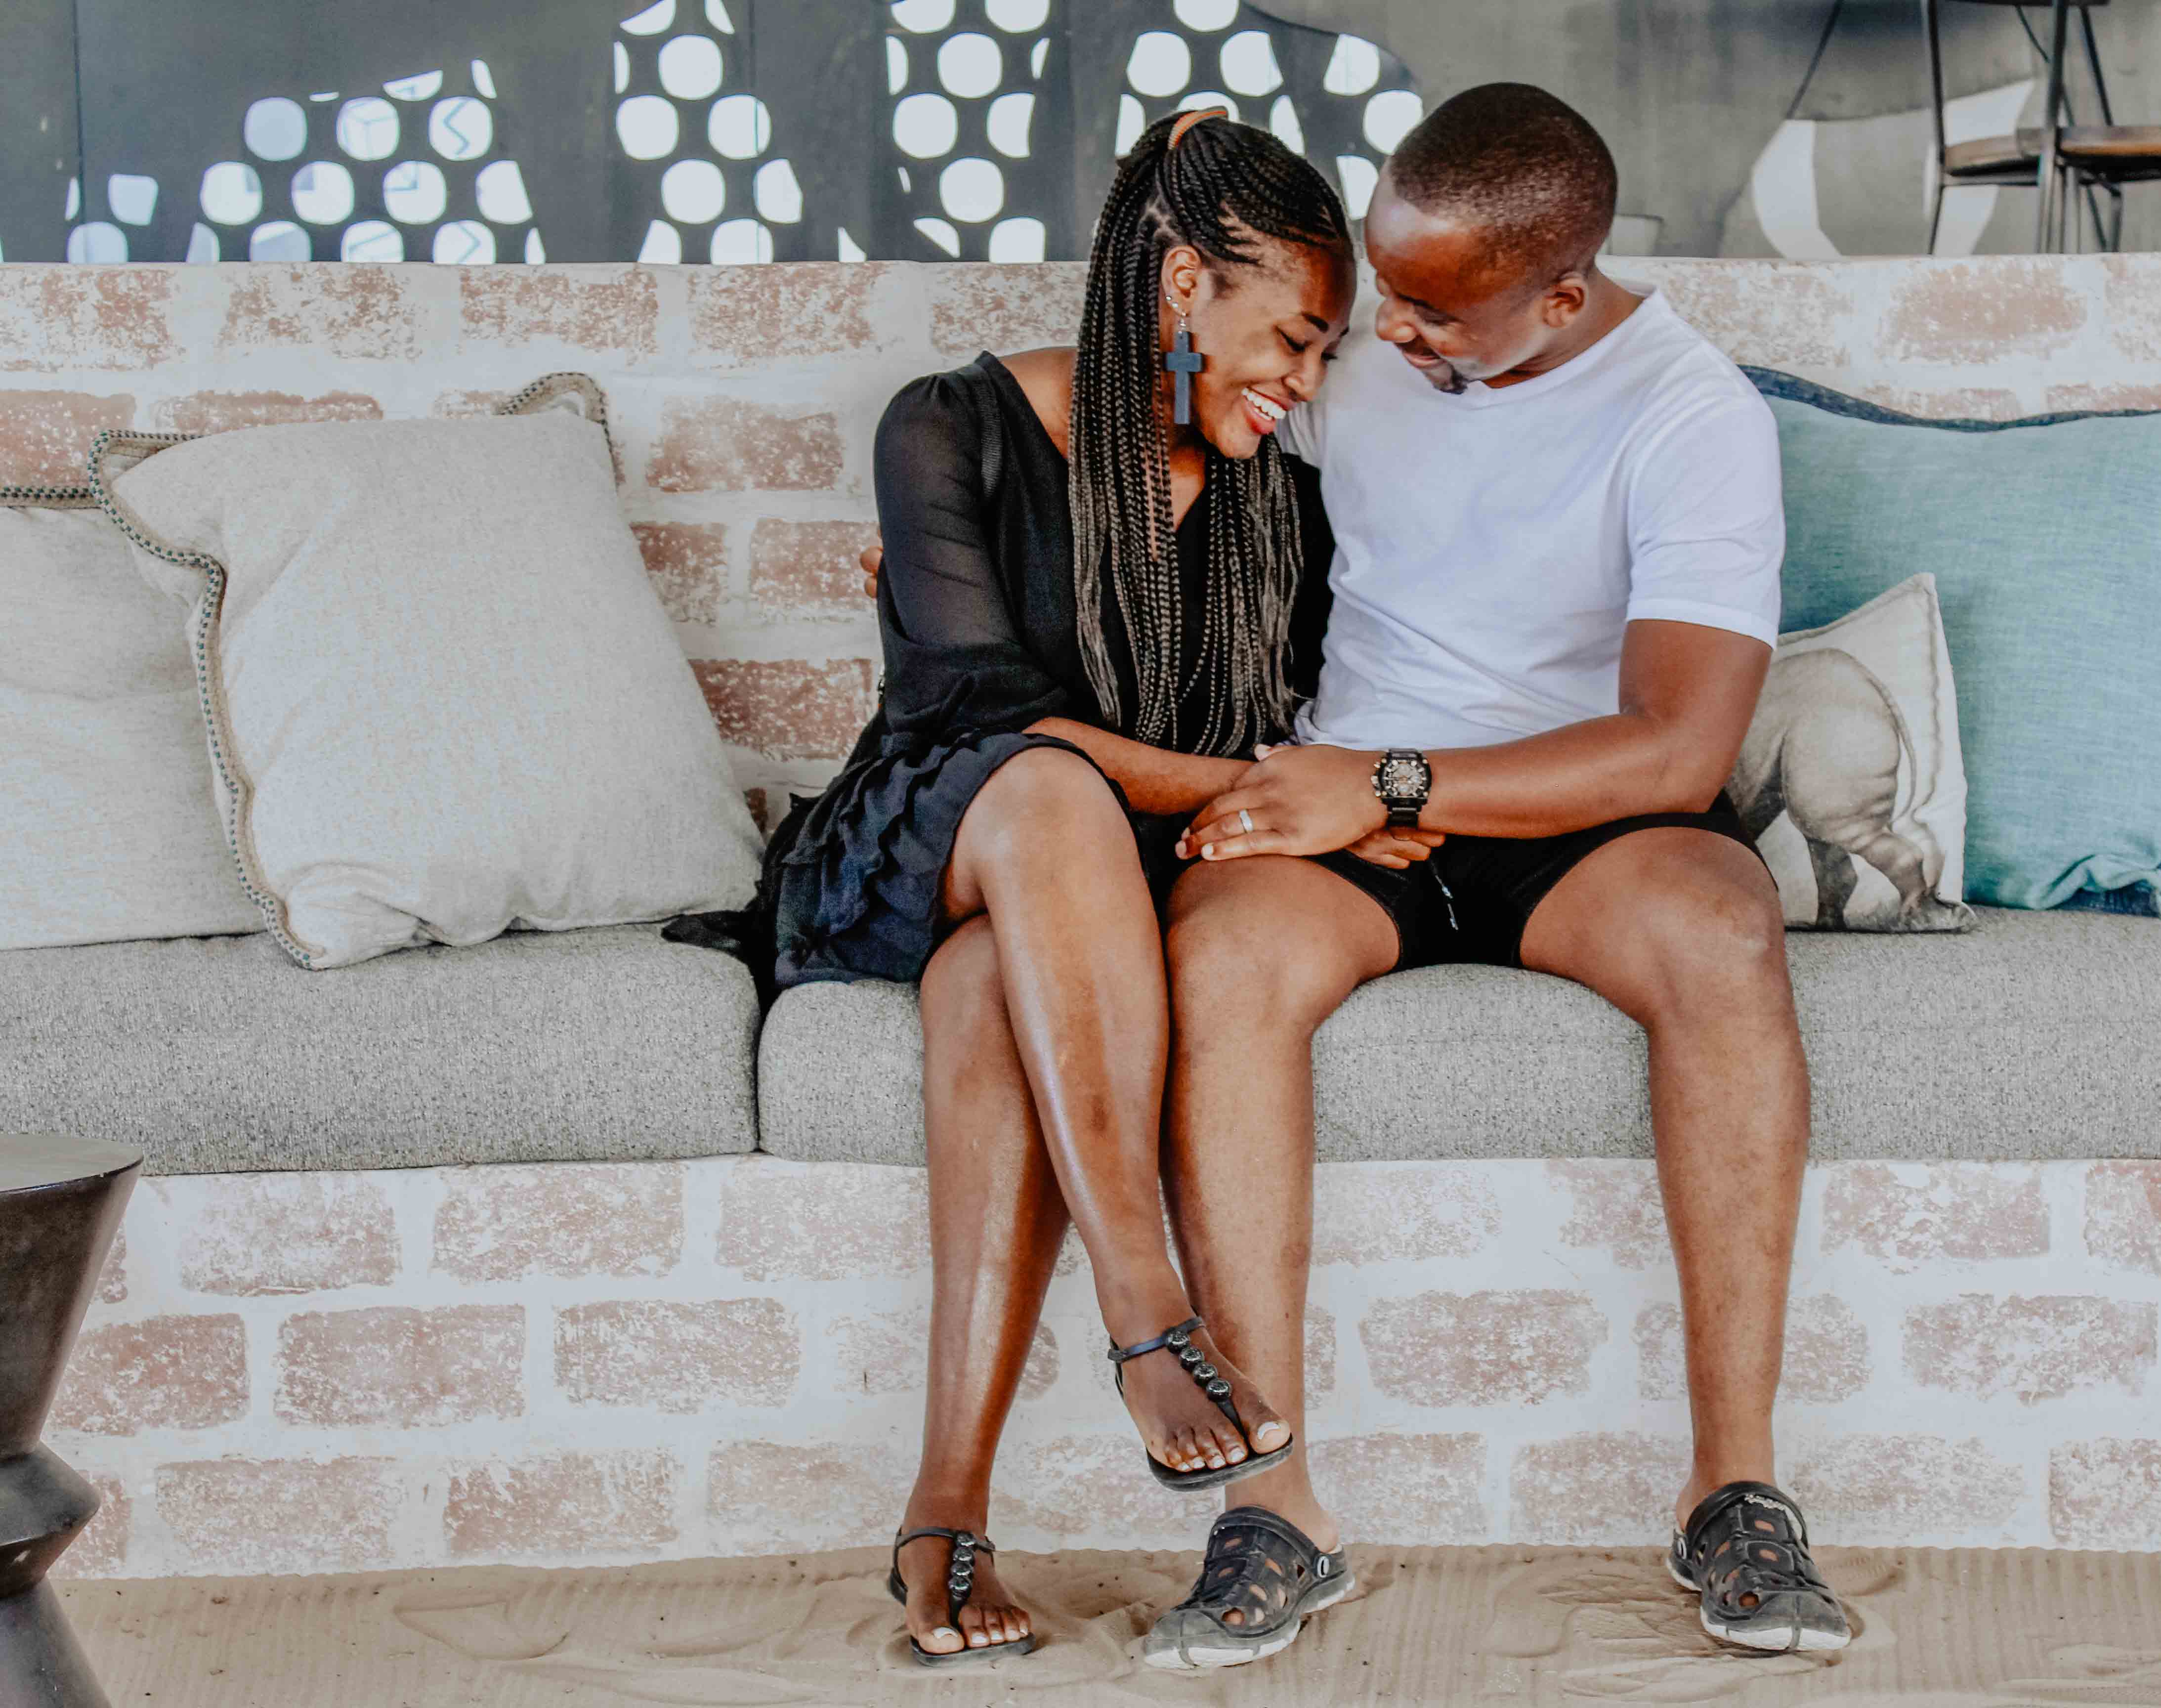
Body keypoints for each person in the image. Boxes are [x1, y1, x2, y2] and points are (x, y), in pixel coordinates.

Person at [669, 108, 1407, 1667]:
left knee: (1000, 987)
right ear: (1182, 283)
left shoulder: (1281, 494)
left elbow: (1293, 716)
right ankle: (1151, 1310)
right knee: (1048, 783)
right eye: (1292, 337)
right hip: (928, 835)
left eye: (1328, 356)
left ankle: (941, 1516)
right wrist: (1257, 793)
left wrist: (1321, 793)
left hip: (1079, 902)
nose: (1306, 383)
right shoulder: (948, 426)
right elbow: (987, 716)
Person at [1142, 83, 1852, 1665]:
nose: (1382, 340)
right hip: (1361, 818)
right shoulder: (1378, 334)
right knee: (1219, 955)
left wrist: (1382, 781)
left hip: (1573, 814)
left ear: (1565, 294)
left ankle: (1734, 1489)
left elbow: (1677, 749)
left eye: (1437, 315)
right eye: (1379, 293)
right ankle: (1275, 1508)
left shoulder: (1693, 417)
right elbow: (1202, 335)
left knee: (1725, 929)